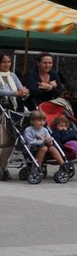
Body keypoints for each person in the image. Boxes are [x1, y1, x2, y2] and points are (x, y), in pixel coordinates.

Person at [1, 52, 29, 180]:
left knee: (11, 141)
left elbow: (20, 89)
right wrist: (15, 93)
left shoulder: (13, 75)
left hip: (14, 110)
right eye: (4, 62)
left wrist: (24, 92)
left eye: (9, 62)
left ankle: (2, 166)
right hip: (2, 110)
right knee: (4, 140)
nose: (7, 64)